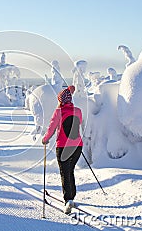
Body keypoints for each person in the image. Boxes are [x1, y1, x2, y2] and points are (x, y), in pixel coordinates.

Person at [42, 85, 83, 214]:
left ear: (60, 101)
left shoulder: (58, 112)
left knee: (64, 171)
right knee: (70, 170)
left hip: (63, 147)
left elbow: (51, 129)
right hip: (77, 146)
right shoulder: (78, 111)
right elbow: (78, 124)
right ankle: (72, 195)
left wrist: (45, 139)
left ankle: (68, 199)